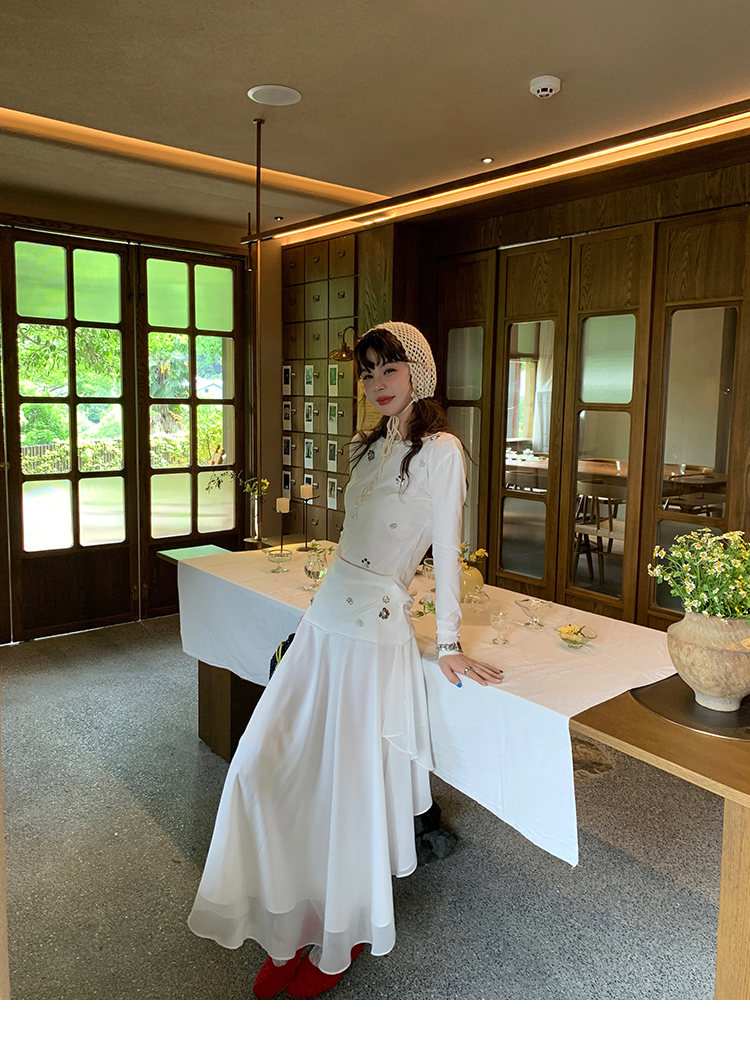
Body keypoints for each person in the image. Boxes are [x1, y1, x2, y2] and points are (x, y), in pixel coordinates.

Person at [187, 321, 502, 999]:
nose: (376, 383)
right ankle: (297, 919)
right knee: (263, 768)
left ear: (419, 372)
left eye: (390, 368)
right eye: (367, 372)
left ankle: (343, 933)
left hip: (372, 637)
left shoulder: (443, 452)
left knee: (348, 792)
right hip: (323, 622)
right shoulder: (366, 447)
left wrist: (449, 643)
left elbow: (448, 552)